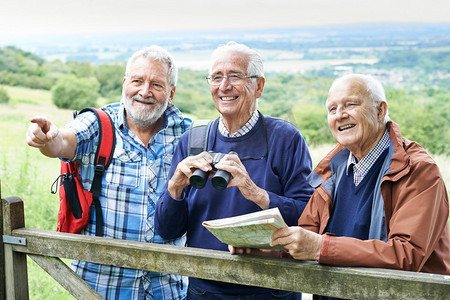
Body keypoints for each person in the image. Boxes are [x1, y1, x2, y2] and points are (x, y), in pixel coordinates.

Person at [231, 74, 450, 284]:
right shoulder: (330, 172)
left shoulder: (417, 170)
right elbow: (308, 238)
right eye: (332, 109)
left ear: (380, 110)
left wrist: (322, 248)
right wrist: (265, 250)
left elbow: (407, 255)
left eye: (351, 105)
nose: (340, 115)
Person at [26, 46, 192, 299]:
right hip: (102, 286)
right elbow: (64, 142)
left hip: (167, 287)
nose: (144, 91)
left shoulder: (188, 134)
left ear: (171, 93)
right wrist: (49, 137)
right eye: (137, 81)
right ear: (125, 83)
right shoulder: (99, 124)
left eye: (157, 85)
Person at [155, 41, 314, 299]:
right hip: (205, 290)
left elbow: (308, 218)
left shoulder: (285, 139)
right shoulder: (192, 141)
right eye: (216, 77)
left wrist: (254, 192)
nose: (224, 86)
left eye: (235, 76)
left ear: (259, 86)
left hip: (270, 292)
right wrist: (174, 187)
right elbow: (167, 230)